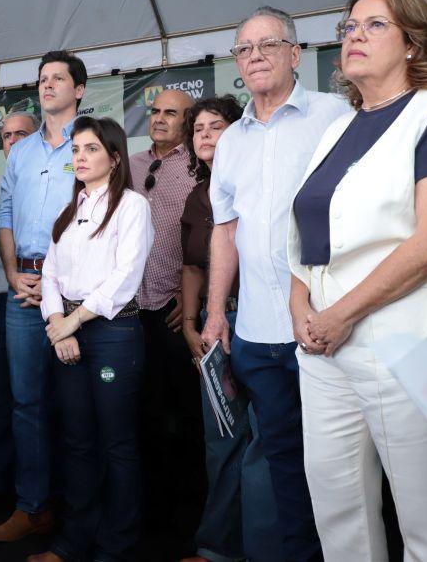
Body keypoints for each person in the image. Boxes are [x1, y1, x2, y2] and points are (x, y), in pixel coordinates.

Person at [288, 0, 427, 561]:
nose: (355, 35)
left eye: (375, 24)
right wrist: (302, 309)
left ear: (413, 43)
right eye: (349, 26)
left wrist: (341, 315)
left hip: (415, 343)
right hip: (325, 349)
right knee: (338, 513)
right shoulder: (336, 129)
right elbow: (305, 240)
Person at [201, 5, 351, 562]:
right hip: (256, 336)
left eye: (269, 45)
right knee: (283, 460)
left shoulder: (335, 115)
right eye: (245, 49)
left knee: (338, 463)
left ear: (296, 53)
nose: (256, 56)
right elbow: (224, 232)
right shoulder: (232, 139)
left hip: (323, 325)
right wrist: (217, 315)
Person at [27, 116, 151, 562]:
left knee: (117, 444)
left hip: (113, 332)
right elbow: (52, 274)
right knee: (77, 442)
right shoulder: (71, 208)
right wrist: (58, 324)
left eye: (90, 149)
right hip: (68, 330)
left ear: (114, 157)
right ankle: (71, 544)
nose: (79, 157)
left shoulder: (132, 205)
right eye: (76, 149)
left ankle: (115, 548)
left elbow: (124, 278)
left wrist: (71, 322)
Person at [0, 50, 87, 542]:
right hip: (22, 289)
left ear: (80, 89)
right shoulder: (22, 152)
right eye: (42, 79)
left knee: (77, 405)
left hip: (74, 294)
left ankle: (80, 513)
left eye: (57, 79)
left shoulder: (93, 142)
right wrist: (11, 272)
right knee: (26, 404)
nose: (47, 86)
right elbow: (4, 217)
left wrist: (56, 280)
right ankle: (32, 507)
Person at [178, 97, 281, 562]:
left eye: (215, 125)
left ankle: (266, 548)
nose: (204, 134)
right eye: (197, 128)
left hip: (266, 322)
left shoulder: (262, 183)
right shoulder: (196, 198)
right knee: (222, 440)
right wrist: (191, 322)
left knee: (265, 441)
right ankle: (217, 547)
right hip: (216, 326)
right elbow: (193, 268)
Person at [128, 87, 203, 556]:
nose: (158, 119)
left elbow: (209, 235)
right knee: (143, 418)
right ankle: (150, 518)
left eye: (170, 113)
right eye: (154, 111)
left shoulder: (200, 163)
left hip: (177, 311)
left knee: (189, 421)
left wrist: (190, 292)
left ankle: (192, 521)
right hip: (129, 312)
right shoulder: (130, 164)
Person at [0, 110, 38, 506]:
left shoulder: (52, 182)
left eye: (21, 134)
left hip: (37, 301)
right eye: (6, 135)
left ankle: (37, 494)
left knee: (33, 401)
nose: (12, 141)